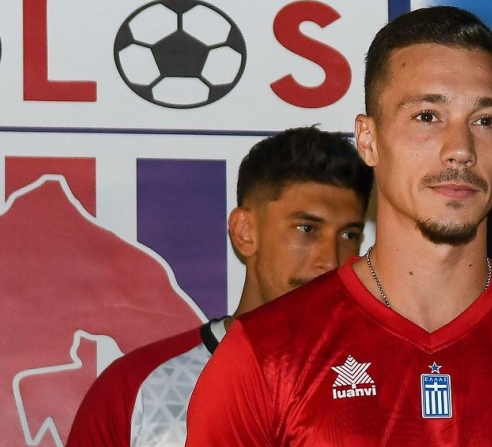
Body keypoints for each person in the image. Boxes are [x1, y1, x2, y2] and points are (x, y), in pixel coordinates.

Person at [186, 6, 492, 446]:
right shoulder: (263, 356)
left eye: (485, 120)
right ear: (368, 140)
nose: (461, 149)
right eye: (427, 116)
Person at [65, 126, 374, 447]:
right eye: (307, 229)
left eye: (348, 235)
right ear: (245, 231)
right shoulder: (139, 388)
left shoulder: (387, 382)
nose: (331, 260)